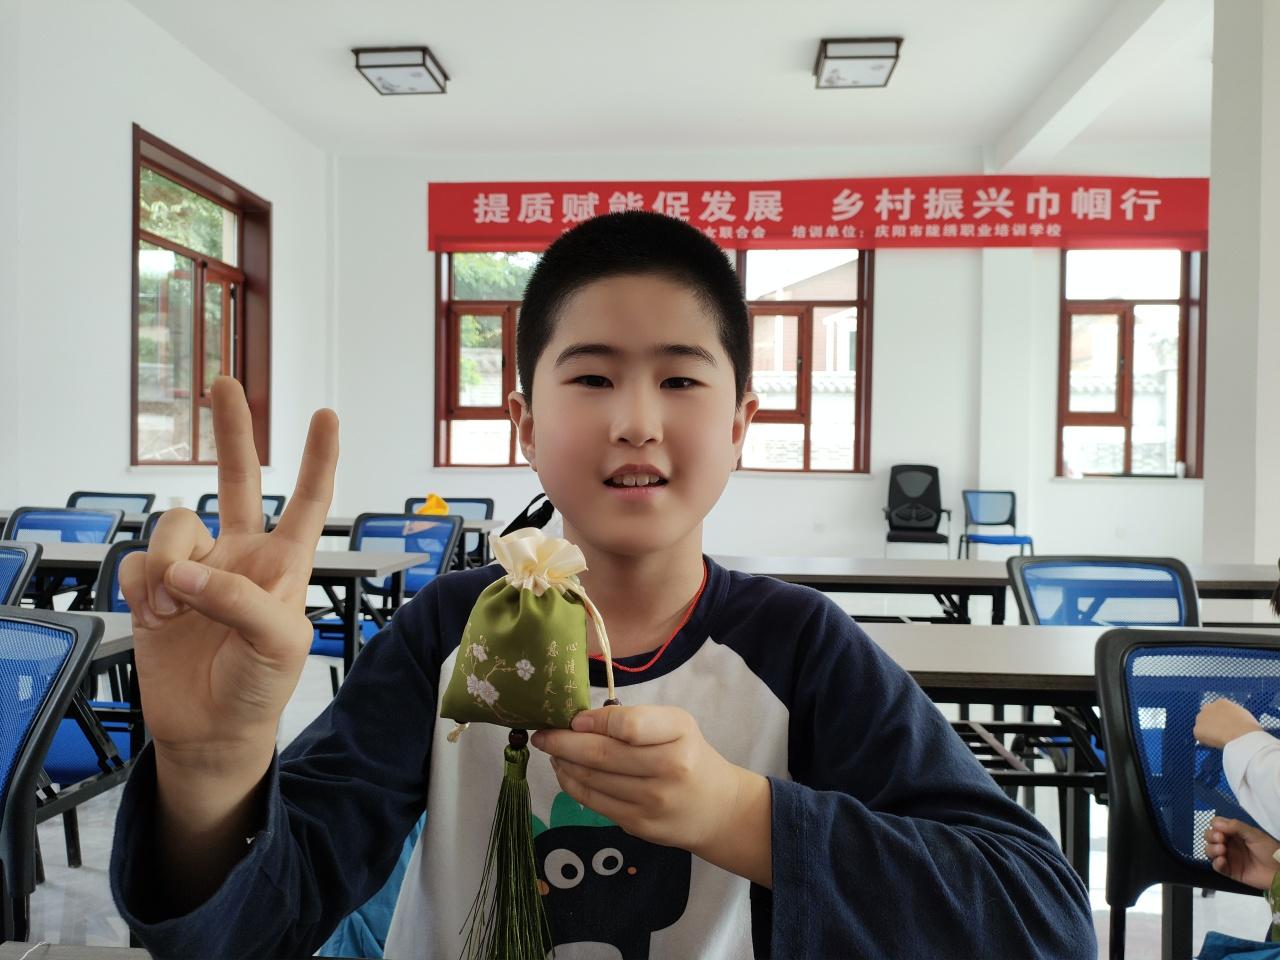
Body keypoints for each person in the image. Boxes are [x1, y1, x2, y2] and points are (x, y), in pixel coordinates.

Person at [109, 212, 1095, 959]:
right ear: (526, 426)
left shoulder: (801, 648)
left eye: (679, 380)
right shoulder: (449, 628)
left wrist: (739, 816)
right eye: (589, 379)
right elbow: (248, 930)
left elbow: (1041, 922)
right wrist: (211, 770)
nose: (635, 421)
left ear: (739, 424)